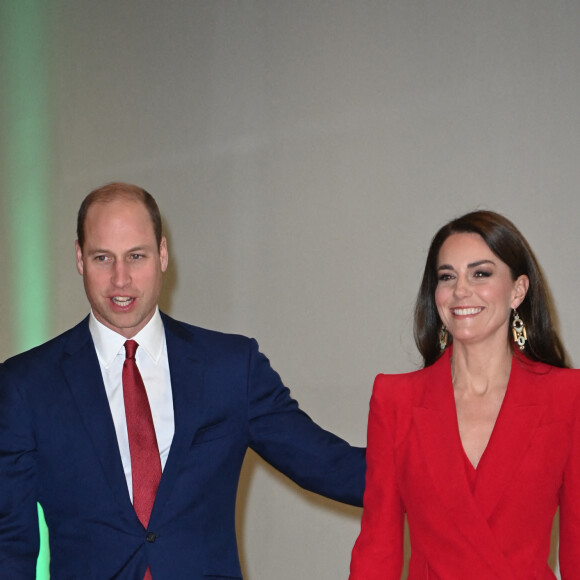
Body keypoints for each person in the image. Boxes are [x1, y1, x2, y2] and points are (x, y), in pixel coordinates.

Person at [0, 182, 366, 580]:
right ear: (79, 258)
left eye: (136, 256)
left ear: (162, 254)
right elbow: (10, 544)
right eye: (103, 257)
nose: (120, 279)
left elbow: (328, 464)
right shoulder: (27, 385)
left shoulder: (230, 368)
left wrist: (438, 467)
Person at [349, 210, 580, 579]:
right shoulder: (395, 399)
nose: (460, 290)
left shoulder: (568, 396)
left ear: (518, 290)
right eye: (447, 277)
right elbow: (378, 547)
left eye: (480, 274)